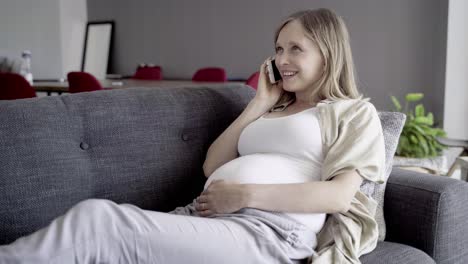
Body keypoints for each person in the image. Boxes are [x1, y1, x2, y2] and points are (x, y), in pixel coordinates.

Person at [0, 8, 385, 264]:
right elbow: (213, 164)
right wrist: (257, 104)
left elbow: (337, 195)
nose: (281, 60)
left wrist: (245, 194)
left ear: (328, 54)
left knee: (99, 220)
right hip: (211, 217)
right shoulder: (272, 108)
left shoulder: (353, 113)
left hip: (270, 232)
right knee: (98, 236)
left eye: (295, 49)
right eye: (278, 49)